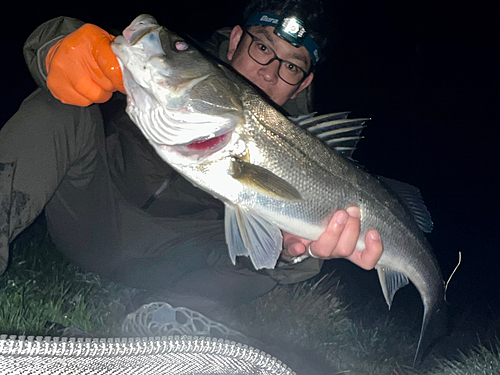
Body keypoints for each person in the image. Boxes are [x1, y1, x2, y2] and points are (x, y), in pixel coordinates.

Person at [0, 0, 382, 315]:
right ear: (235, 41)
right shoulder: (176, 71)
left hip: (173, 264)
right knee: (61, 106)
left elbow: (284, 254)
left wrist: (297, 254)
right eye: (263, 48)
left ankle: (170, 317)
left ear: (304, 82)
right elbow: (56, 40)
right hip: (93, 215)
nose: (269, 73)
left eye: (292, 66)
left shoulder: (310, 148)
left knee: (265, 263)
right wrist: (59, 48)